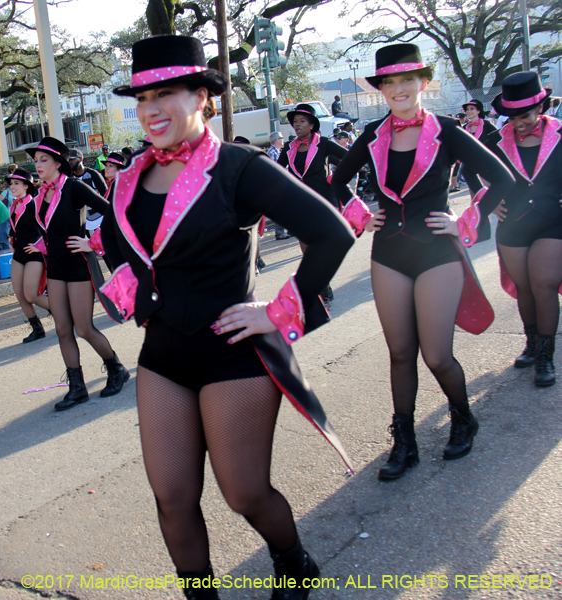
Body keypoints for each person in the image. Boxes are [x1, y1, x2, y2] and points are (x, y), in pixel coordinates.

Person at [102, 35, 355, 600]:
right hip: (162, 358)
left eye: (165, 94)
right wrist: (132, 291)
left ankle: (294, 564)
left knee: (244, 494)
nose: (150, 110)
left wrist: (279, 311)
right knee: (172, 498)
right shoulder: (129, 178)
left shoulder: (239, 166)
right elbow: (117, 241)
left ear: (202, 98)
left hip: (233, 355)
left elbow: (332, 233)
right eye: (142, 99)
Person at [331, 43, 515, 481]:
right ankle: (405, 442)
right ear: (380, 89)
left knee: (436, 355)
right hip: (388, 253)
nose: (399, 89)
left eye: (407, 80)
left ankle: (463, 418)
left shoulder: (447, 130)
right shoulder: (373, 134)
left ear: (424, 83)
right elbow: (337, 180)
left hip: (436, 253)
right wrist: (360, 214)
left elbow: (502, 179)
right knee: (399, 354)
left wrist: (464, 221)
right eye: (389, 82)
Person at [26, 136, 129, 411]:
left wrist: (93, 242)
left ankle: (116, 369)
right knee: (62, 329)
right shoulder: (40, 195)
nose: (38, 165)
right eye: (35, 161)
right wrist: (41, 244)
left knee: (83, 328)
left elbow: (114, 212)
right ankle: (77, 388)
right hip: (55, 266)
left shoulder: (74, 186)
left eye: (43, 160)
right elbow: (49, 228)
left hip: (78, 264)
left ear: (58, 163)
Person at [482, 72, 562, 387]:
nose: (519, 123)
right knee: (525, 287)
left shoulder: (560, 134)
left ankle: (545, 357)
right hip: (513, 224)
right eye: (513, 117)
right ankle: (531, 343)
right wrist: (487, 201)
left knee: (544, 285)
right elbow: (474, 171)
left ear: (540, 107)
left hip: (552, 221)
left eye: (525, 116)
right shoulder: (495, 140)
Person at [279, 103, 348, 307]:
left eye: (302, 121)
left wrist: (337, 179)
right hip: (301, 204)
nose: (297, 125)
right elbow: (275, 171)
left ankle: (322, 287)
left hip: (324, 202)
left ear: (311, 125)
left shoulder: (323, 144)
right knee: (308, 251)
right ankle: (324, 288)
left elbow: (350, 159)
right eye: (295, 122)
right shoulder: (288, 148)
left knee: (322, 249)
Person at [6, 168, 51, 342]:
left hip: (34, 255)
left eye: (16, 183)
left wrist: (40, 246)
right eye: (11, 184)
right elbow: (14, 228)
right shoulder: (13, 206)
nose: (12, 186)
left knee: (31, 295)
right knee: (20, 295)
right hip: (19, 254)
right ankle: (37, 329)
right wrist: (11, 239)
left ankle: (63, 314)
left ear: (26, 186)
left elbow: (46, 227)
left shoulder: (34, 204)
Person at [459, 99, 499, 241]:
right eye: (467, 109)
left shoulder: (488, 126)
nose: (469, 111)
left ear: (478, 111)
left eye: (472, 109)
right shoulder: (464, 128)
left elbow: (497, 142)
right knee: (476, 199)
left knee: (486, 197)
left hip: (486, 166)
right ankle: (481, 231)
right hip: (469, 167)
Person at [70, 149, 108, 232]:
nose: (70, 162)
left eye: (72, 159)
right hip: (82, 220)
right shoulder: (69, 178)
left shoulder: (93, 175)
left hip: (99, 218)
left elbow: (106, 194)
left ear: (80, 159)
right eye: (68, 160)